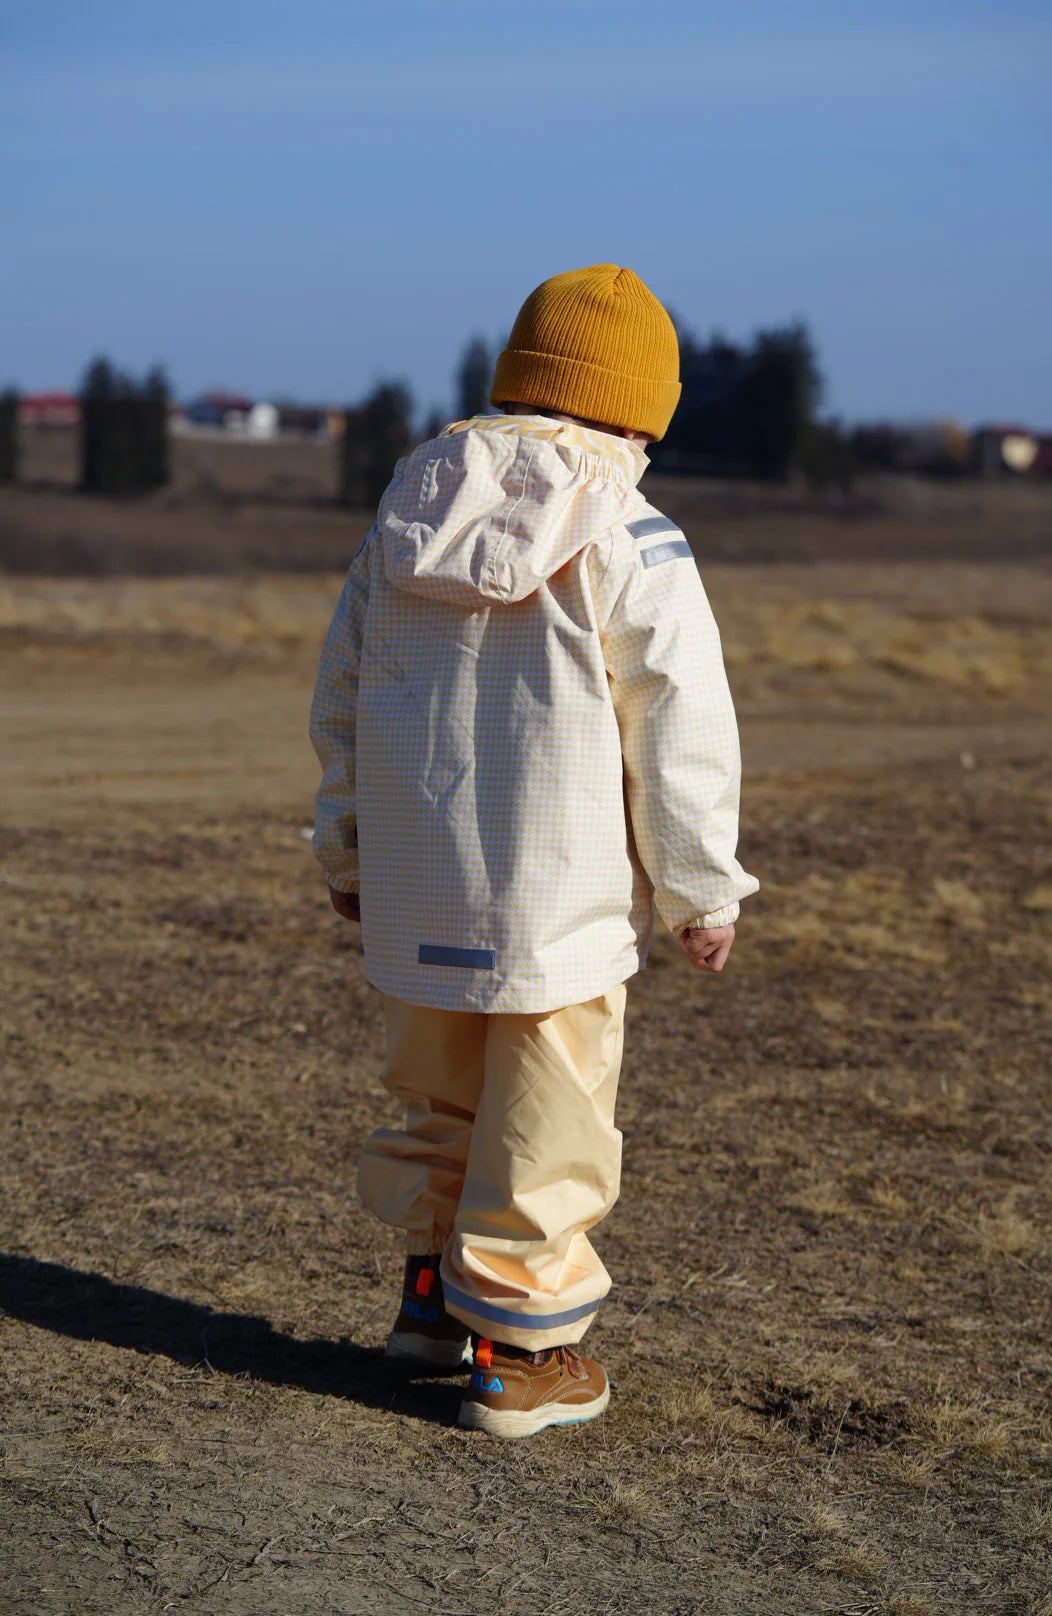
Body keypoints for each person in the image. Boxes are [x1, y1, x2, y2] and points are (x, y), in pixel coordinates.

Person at [309, 263, 759, 1439]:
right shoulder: (633, 531)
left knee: (434, 1094)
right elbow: (681, 728)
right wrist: (700, 887)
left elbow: (344, 699)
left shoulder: (408, 511)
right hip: (556, 907)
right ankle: (519, 1351)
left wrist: (347, 851)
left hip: (415, 890)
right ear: (636, 411)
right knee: (548, 1120)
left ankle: (427, 1301)